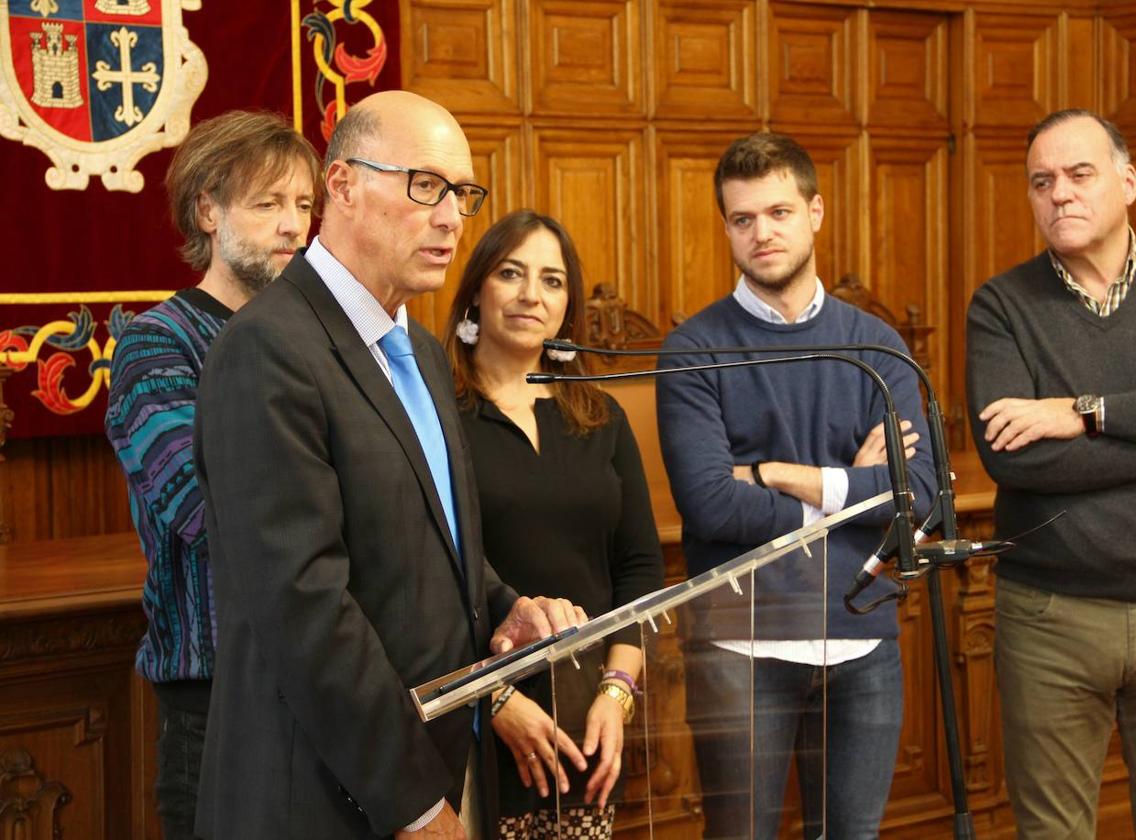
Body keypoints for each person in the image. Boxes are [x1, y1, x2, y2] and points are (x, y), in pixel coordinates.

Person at [191, 92, 586, 840]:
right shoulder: (267, 348)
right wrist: (413, 801)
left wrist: (505, 608)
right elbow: (305, 609)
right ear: (341, 186)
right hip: (324, 795)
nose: (450, 218)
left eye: (462, 194)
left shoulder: (426, 354)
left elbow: (429, 540)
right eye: (425, 186)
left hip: (443, 760)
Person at [656, 132, 935, 840]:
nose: (762, 233)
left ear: (815, 211)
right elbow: (711, 503)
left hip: (862, 639)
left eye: (778, 213)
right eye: (743, 219)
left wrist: (776, 474)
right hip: (740, 647)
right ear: (725, 227)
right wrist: (854, 485)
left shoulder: (876, 348)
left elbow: (921, 498)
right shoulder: (691, 349)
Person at [966, 109, 1136, 839]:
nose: (1059, 194)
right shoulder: (1000, 306)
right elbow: (1015, 454)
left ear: (1127, 183)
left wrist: (1083, 410)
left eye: (1078, 174)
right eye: (1042, 182)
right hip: (1051, 617)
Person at [104, 110, 321, 840]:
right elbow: (206, 512)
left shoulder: (316, 340)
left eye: (303, 205)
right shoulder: (155, 346)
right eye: (268, 204)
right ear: (208, 209)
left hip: (319, 686)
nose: (294, 226)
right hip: (216, 699)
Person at [443, 210, 665, 839]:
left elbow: (640, 568)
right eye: (510, 274)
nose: (530, 295)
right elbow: (425, 572)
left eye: (551, 280)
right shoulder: (436, 415)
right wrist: (494, 699)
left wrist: (616, 692)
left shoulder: (602, 417)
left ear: (568, 306)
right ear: (476, 292)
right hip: (470, 711)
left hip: (587, 712)